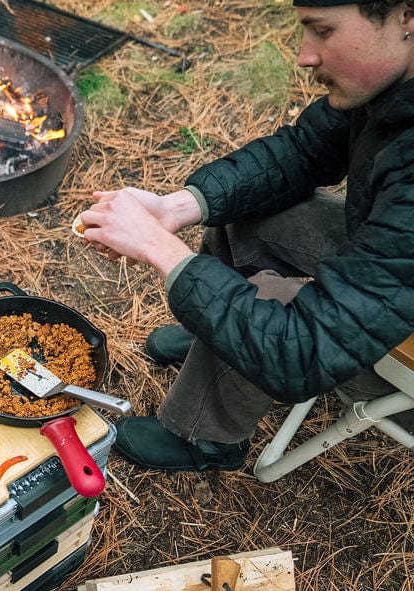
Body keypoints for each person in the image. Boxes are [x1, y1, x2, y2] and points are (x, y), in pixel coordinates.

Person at [75, 0, 414, 474]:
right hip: (392, 260)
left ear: (405, 16)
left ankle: (205, 439)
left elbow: (302, 351)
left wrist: (159, 248)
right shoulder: (393, 84)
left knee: (270, 301)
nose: (305, 55)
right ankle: (212, 346)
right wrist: (175, 207)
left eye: (322, 30)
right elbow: (303, 151)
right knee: (247, 212)